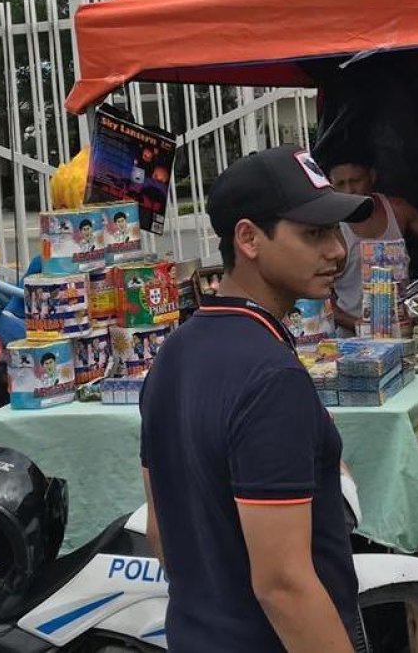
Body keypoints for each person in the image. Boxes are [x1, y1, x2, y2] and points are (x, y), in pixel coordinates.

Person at [139, 145, 372, 653]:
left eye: (335, 232)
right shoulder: (270, 377)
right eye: (313, 233)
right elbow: (283, 586)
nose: (337, 250)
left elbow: (161, 532)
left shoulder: (174, 352)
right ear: (248, 238)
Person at [326, 157, 418, 333]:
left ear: (372, 176)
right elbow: (319, 298)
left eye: (356, 181)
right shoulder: (330, 228)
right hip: (354, 340)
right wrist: (361, 325)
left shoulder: (397, 210)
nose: (350, 190)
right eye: (340, 184)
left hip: (406, 331)